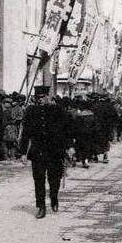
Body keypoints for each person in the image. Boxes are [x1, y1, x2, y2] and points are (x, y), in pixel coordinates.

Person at [22, 87, 73, 217]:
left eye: (42, 97)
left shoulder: (58, 110)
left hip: (55, 151)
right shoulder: (30, 111)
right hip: (38, 151)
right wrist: (23, 152)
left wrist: (70, 146)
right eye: (37, 98)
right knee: (38, 179)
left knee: (54, 178)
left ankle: (54, 197)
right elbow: (26, 133)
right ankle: (41, 206)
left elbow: (67, 130)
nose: (39, 100)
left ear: (48, 96)